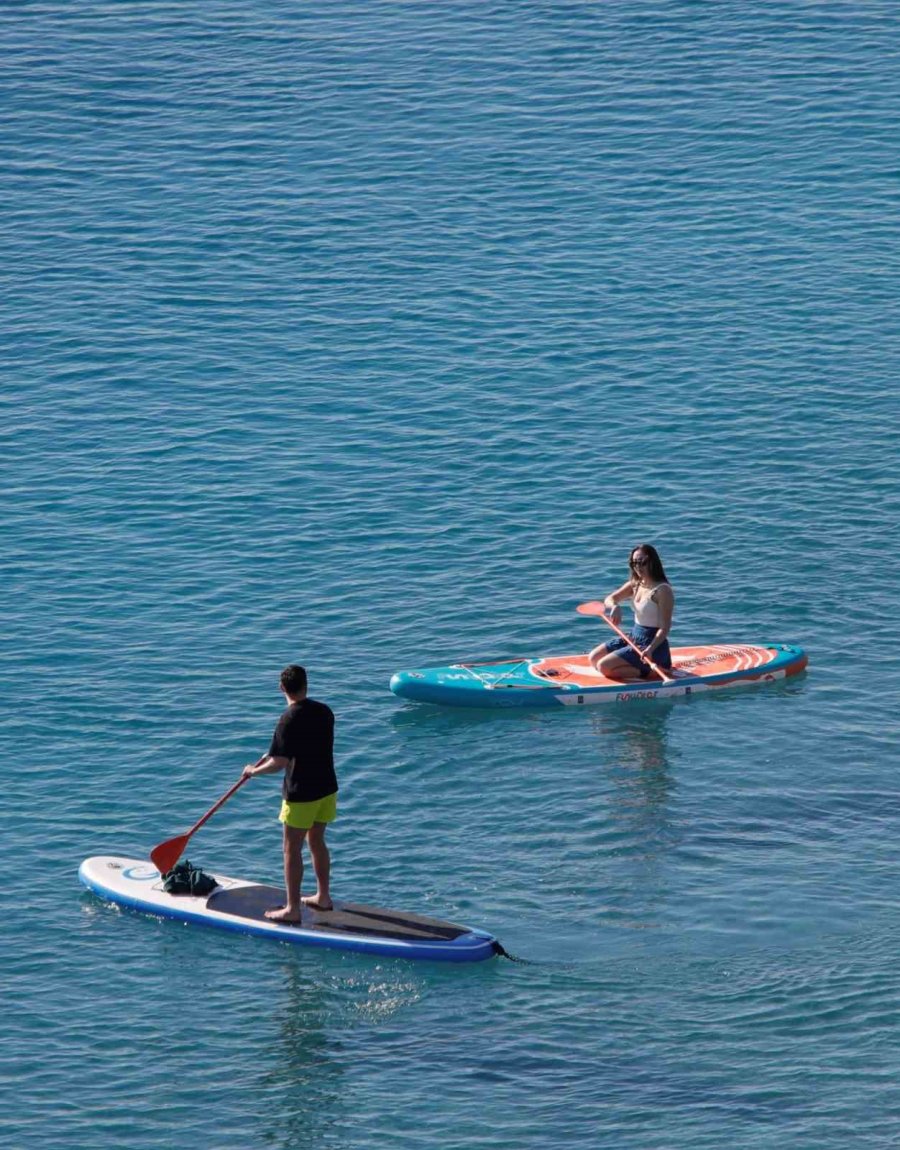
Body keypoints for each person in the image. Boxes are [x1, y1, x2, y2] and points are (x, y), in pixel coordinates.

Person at [242, 665, 338, 922]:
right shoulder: (324, 712)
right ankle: (323, 897)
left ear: (282, 688)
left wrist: (253, 771)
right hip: (327, 789)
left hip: (301, 794)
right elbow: (306, 745)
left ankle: (292, 909)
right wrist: (276, 753)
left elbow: (279, 763)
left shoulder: (287, 719)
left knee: (290, 849)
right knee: (316, 841)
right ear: (306, 684)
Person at [589, 544, 674, 682]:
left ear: (652, 562)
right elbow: (610, 599)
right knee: (593, 658)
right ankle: (636, 666)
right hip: (634, 637)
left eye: (642, 562)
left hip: (653, 644)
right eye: (634, 563)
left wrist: (651, 649)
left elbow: (665, 628)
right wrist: (615, 606)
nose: (638, 567)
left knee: (603, 666)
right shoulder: (636, 584)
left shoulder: (663, 590)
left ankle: (648, 672)